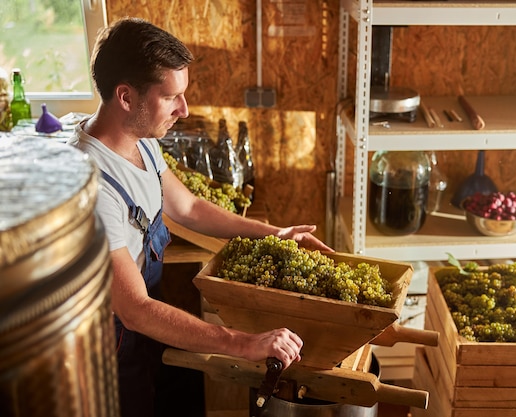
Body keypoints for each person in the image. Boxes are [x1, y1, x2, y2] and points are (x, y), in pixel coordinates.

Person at [69, 17, 333, 417]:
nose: (185, 109)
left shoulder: (141, 141)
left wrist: (275, 234)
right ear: (126, 97)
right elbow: (135, 309)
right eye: (171, 96)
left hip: (140, 323)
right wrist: (246, 343)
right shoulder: (93, 187)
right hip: (111, 342)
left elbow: (188, 207)